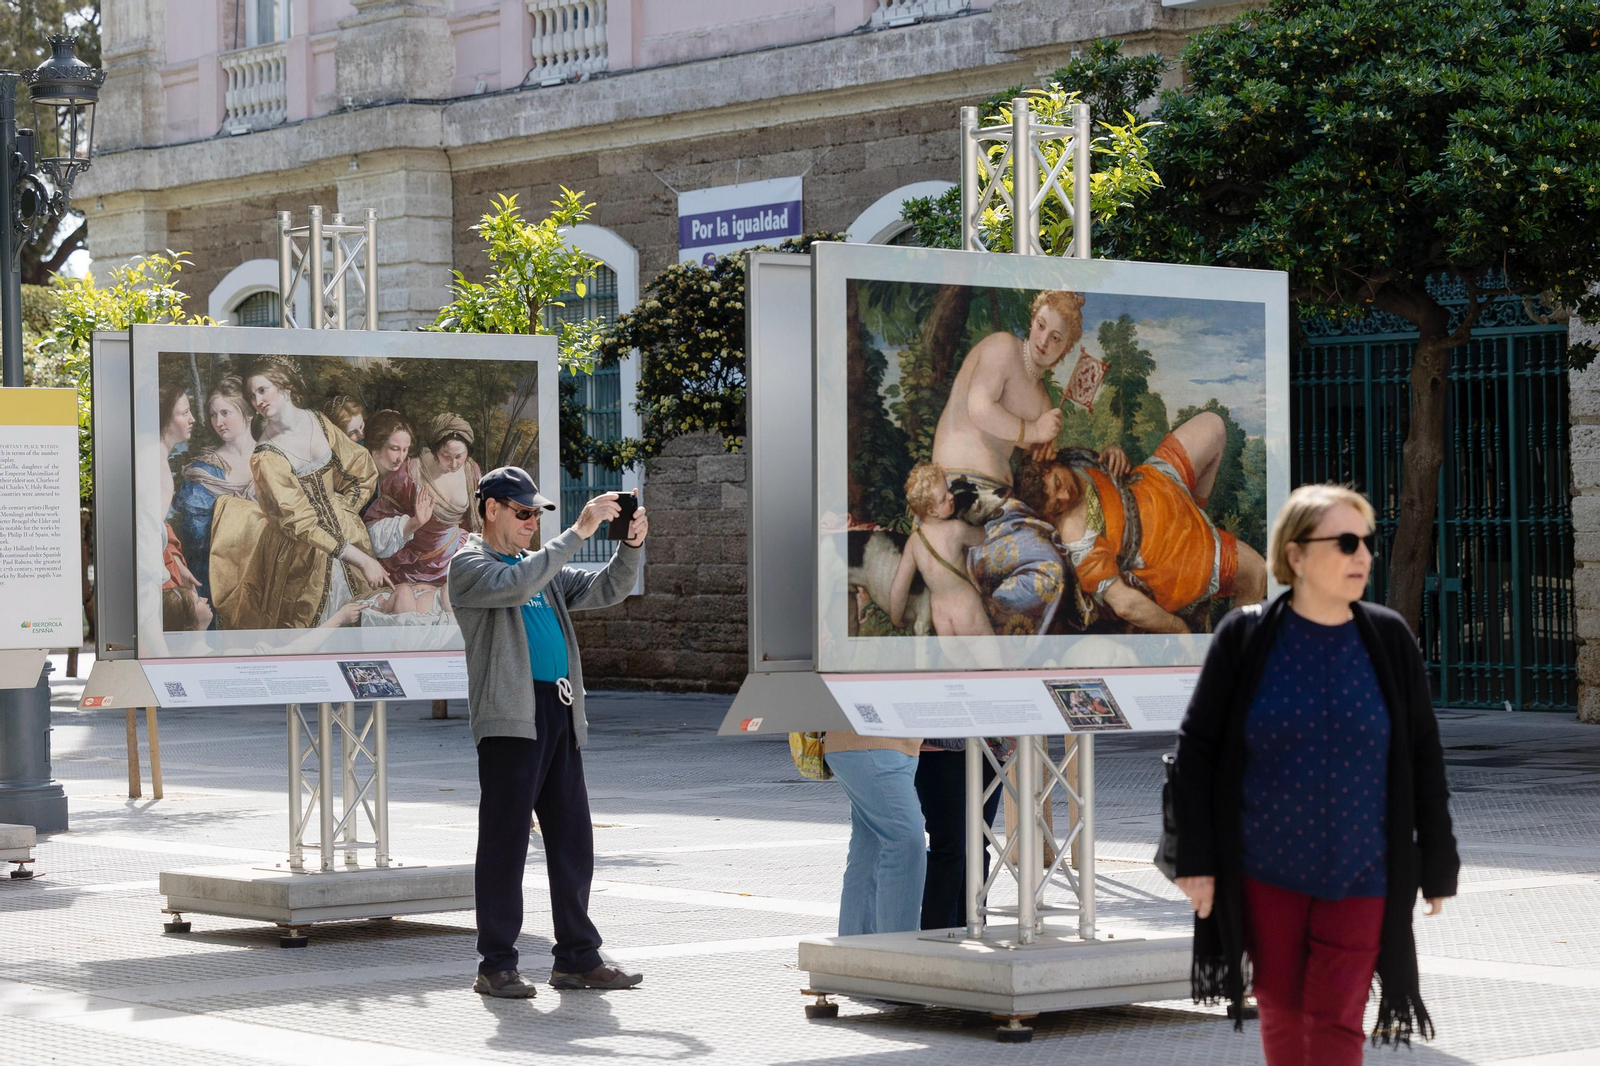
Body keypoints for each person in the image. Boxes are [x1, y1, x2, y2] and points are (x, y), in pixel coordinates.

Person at [1172, 484, 1459, 1065]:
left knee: (1335, 1021)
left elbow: (1423, 757)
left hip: (1364, 872)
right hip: (1266, 870)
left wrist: (1438, 860)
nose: (1363, 556)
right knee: (1282, 1011)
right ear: (1296, 554)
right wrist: (1195, 860)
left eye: (1367, 543)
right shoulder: (1245, 639)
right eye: (1346, 543)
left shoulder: (1389, 640)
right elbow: (1197, 751)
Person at [449, 467, 647, 999]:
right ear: (491, 508)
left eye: (537, 515)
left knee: (572, 839)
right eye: (523, 512)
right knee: (505, 843)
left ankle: (577, 958)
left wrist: (629, 545)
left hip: (558, 710)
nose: (532, 523)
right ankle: (495, 964)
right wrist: (578, 531)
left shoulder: (540, 568)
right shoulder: (470, 564)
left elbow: (608, 588)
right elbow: (515, 585)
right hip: (511, 717)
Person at [1015, 412, 1269, 632]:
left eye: (1058, 484)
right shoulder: (1074, 533)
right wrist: (1177, 627)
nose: (1065, 496)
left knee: (1213, 425)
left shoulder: (1073, 459)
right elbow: (1123, 603)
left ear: (1052, 465)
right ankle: (1236, 655)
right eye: (1056, 505)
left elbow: (1106, 470)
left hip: (1157, 480)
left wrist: (1114, 452)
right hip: (1168, 549)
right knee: (1256, 571)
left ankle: (1196, 510)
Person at [215, 355, 391, 630]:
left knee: (366, 622)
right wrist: (362, 560)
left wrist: (345, 508)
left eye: (263, 390)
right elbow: (301, 523)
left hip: (348, 534)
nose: (258, 400)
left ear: (284, 384)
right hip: (301, 552)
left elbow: (361, 466)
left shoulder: (318, 421)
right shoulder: (265, 455)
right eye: (252, 395)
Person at [930, 289, 1084, 496]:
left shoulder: (1044, 404)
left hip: (1000, 496)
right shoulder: (1003, 347)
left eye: (1055, 338)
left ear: (1066, 348)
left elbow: (1028, 468)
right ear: (1032, 320)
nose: (1044, 341)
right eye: (1041, 326)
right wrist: (1035, 431)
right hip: (957, 484)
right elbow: (980, 409)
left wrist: (1040, 455)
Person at [823, 727, 926, 936]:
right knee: (906, 843)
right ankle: (898, 949)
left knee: (870, 849)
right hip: (869, 743)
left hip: (891, 745)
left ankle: (855, 947)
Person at [366, 412, 482, 586]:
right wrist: (414, 523)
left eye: (459, 456)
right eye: (446, 456)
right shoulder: (408, 476)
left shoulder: (471, 471)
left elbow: (474, 518)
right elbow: (372, 530)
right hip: (414, 567)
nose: (454, 464)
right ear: (435, 450)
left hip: (454, 556)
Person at [173, 377, 258, 605]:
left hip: (263, 574)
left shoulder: (272, 461)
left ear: (249, 414)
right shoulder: (203, 470)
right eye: (213, 415)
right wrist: (239, 515)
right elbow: (195, 537)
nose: (218, 422)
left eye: (225, 413)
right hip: (212, 578)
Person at [890, 463, 993, 637]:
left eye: (948, 491)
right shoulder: (956, 529)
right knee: (989, 652)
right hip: (965, 607)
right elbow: (981, 537)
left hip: (940, 616)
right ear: (932, 511)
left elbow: (899, 587)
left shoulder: (914, 542)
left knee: (954, 654)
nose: (951, 496)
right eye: (943, 499)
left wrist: (896, 618)